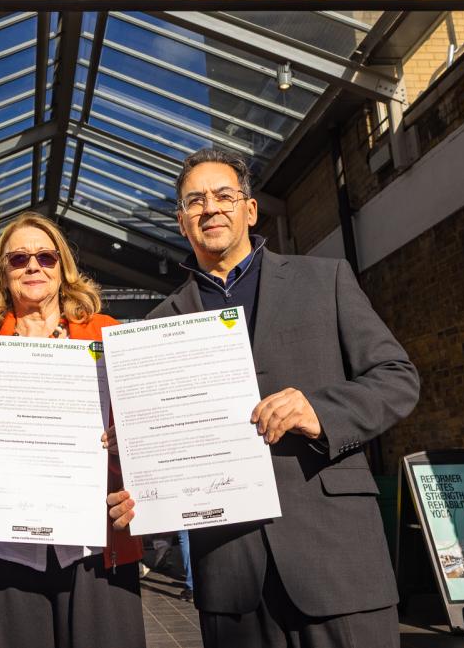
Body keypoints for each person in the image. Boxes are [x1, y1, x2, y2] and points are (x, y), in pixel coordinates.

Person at [107, 149, 420, 648]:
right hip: (232, 575)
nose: (210, 208)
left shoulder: (325, 279)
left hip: (337, 558)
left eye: (223, 195)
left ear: (250, 210)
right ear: (181, 222)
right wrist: (139, 466)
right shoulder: (158, 325)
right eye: (195, 201)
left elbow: (397, 378)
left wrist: (320, 411)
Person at [0, 211, 145, 648]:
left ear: (62, 268)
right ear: (3, 272)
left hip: (96, 553)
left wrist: (130, 455)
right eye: (19, 258)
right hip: (5, 556)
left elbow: (147, 432)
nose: (33, 266)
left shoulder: (106, 335)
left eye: (45, 257)